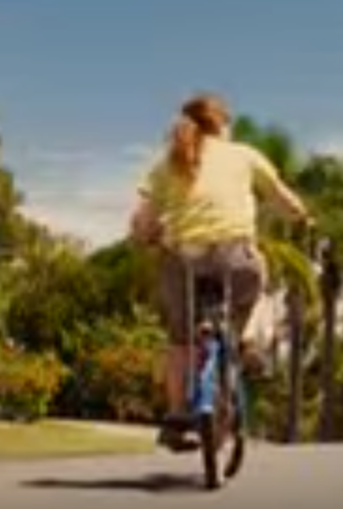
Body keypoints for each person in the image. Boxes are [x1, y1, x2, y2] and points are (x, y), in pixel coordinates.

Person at [129, 93, 308, 451]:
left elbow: (143, 221)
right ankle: (247, 339)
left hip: (182, 260)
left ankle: (176, 418)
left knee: (180, 342)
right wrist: (301, 214)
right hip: (233, 257)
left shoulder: (167, 163)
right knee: (260, 273)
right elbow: (283, 198)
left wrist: (146, 237)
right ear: (223, 124)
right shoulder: (244, 155)